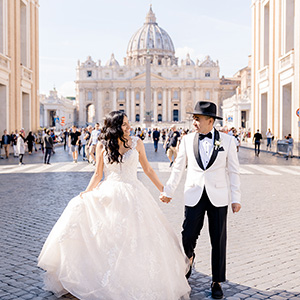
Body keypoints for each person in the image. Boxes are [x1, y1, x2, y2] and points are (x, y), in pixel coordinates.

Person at [38, 111, 191, 300]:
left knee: (134, 238)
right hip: (109, 193)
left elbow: (148, 169)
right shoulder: (102, 144)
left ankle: (132, 277)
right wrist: (86, 193)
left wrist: (163, 189)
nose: (129, 127)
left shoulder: (137, 142)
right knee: (106, 237)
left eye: (128, 124)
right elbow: (97, 174)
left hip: (134, 192)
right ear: (115, 126)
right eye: (125, 124)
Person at [160, 101, 241, 299]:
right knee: (187, 235)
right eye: (194, 118)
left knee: (218, 240)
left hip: (218, 197)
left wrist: (235, 198)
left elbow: (234, 171)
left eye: (198, 119)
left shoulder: (228, 141)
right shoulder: (187, 139)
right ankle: (189, 257)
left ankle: (217, 281)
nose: (194, 122)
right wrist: (168, 191)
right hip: (194, 194)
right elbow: (178, 167)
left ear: (210, 121)